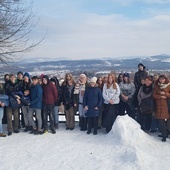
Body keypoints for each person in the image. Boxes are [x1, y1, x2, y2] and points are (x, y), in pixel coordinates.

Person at [153, 75, 170, 142]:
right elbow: (154, 95)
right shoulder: (156, 86)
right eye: (160, 79)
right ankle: (164, 135)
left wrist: (165, 94)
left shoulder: (169, 85)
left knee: (168, 122)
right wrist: (160, 96)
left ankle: (167, 133)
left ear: (165, 79)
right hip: (159, 106)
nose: (161, 80)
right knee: (161, 121)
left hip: (167, 106)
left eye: (162, 79)